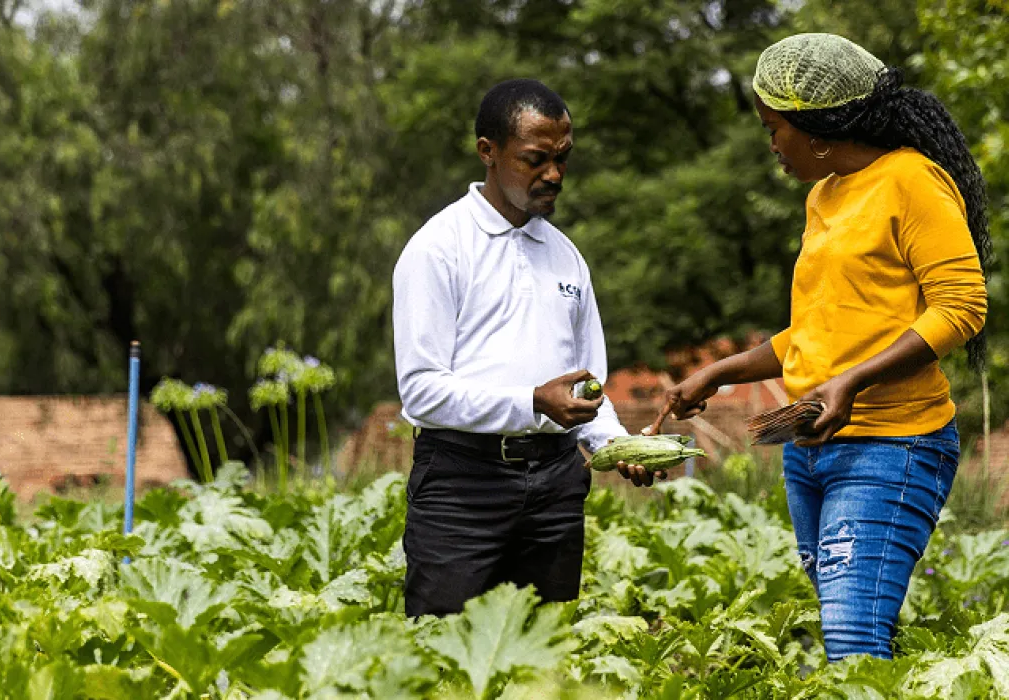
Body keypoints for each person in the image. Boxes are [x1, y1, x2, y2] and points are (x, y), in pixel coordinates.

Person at [648, 33, 991, 661]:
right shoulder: (824, 195)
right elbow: (818, 331)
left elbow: (961, 307)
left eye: (773, 128)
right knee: (845, 628)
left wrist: (852, 382)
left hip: (892, 445)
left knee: (851, 635)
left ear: (819, 130)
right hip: (807, 448)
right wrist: (717, 373)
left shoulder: (912, 181)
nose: (771, 144)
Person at [392, 78, 657, 619]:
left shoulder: (567, 258)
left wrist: (618, 445)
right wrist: (533, 401)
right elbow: (420, 392)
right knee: (441, 657)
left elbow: (589, 388)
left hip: (556, 487)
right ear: (487, 152)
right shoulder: (439, 249)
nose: (554, 174)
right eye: (536, 159)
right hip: (462, 485)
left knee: (544, 659)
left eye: (563, 158)